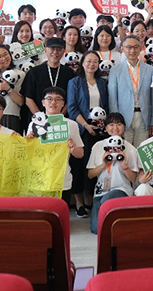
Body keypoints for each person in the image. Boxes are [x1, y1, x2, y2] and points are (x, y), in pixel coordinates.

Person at [67, 50, 110, 217]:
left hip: (99, 131)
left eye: (95, 61)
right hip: (81, 129)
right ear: (82, 63)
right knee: (80, 165)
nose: (92, 64)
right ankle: (79, 201)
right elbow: (72, 108)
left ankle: (89, 198)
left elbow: (106, 106)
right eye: (88, 61)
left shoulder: (102, 83)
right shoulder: (74, 82)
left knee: (95, 163)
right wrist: (86, 124)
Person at [26, 87, 84, 205]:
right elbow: (28, 155)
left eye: (58, 99)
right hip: (39, 179)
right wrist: (28, 142)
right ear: (43, 102)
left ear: (63, 103)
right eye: (49, 99)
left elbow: (80, 154)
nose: (53, 102)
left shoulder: (71, 125)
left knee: (61, 214)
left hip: (62, 180)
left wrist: (73, 149)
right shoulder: (34, 124)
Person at [87, 112, 139, 233]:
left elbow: (133, 179)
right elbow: (90, 174)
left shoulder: (130, 149)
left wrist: (124, 165)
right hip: (101, 192)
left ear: (124, 127)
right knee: (96, 229)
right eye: (111, 124)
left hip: (122, 189)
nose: (115, 128)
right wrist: (103, 164)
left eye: (119, 124)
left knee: (106, 202)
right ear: (105, 128)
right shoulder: (98, 146)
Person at [107, 35, 153, 146]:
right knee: (124, 149)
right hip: (123, 117)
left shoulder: (150, 69)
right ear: (122, 48)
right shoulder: (115, 70)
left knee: (141, 150)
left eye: (136, 47)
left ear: (141, 48)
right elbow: (113, 99)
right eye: (128, 47)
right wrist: (115, 122)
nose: (132, 51)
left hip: (144, 117)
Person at [22, 37, 75, 116]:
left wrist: (60, 116)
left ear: (63, 52)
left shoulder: (70, 73)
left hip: (62, 119)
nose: (55, 52)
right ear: (46, 50)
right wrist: (41, 117)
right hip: (37, 118)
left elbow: (71, 99)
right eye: (52, 49)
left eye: (59, 49)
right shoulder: (34, 72)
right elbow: (28, 99)